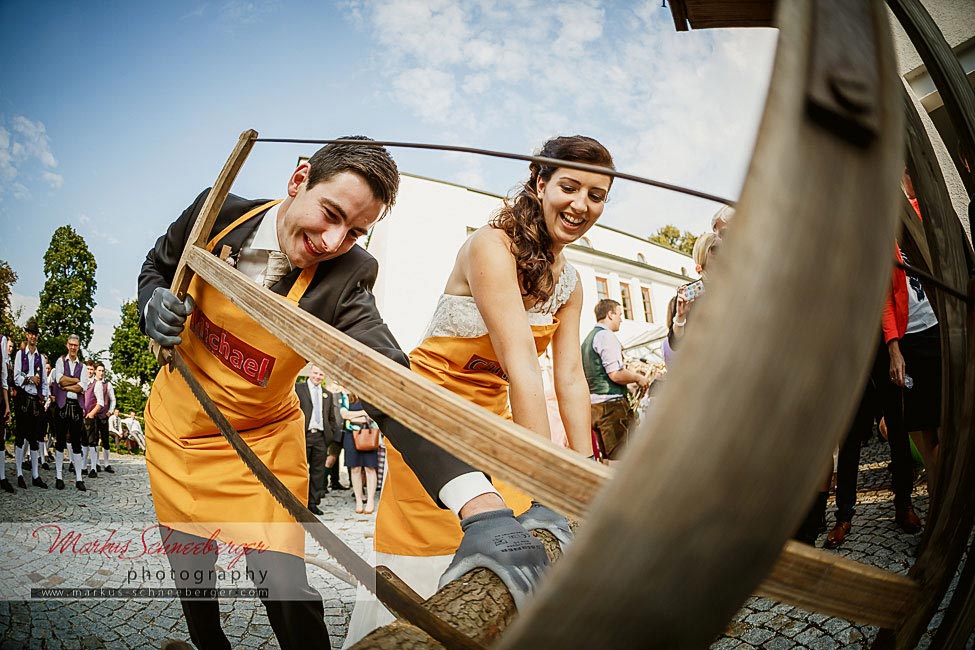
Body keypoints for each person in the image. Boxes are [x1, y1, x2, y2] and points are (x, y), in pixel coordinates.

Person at [138, 136, 547, 650]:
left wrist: (480, 506)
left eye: (355, 231)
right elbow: (158, 264)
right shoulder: (215, 211)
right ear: (298, 180)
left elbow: (390, 382)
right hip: (179, 430)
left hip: (264, 440)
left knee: (284, 586)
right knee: (194, 580)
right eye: (330, 213)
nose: (332, 241)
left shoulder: (348, 276)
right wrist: (150, 301)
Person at [346, 135, 609, 645]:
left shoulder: (571, 283)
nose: (581, 205)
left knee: (516, 546)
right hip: (430, 417)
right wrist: (545, 479)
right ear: (540, 182)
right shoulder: (493, 244)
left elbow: (571, 376)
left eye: (596, 196)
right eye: (569, 187)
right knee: (429, 545)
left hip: (494, 424)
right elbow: (521, 363)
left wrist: (582, 474)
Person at [583, 298, 650, 461]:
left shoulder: (588, 339)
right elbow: (615, 373)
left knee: (607, 459)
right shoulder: (606, 336)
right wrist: (637, 377)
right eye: (619, 314)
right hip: (611, 406)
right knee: (622, 460)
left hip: (595, 406)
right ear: (610, 314)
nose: (621, 318)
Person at [295, 365, 340, 515]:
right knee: (299, 470)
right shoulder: (298, 388)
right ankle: (297, 502)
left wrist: (330, 432)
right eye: (315, 373)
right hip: (303, 434)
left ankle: (313, 502)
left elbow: (331, 417)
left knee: (318, 471)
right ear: (310, 372)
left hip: (320, 436)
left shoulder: (327, 394)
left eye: (321, 374)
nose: (317, 376)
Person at [12, 320, 49, 489]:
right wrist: (29, 378)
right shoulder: (21, 354)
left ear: (37, 337)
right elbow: (16, 377)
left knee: (35, 438)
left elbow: (44, 384)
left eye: (35, 334)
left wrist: (44, 398)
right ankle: (19, 473)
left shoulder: (40, 358)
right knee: (21, 436)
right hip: (23, 398)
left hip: (35, 400)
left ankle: (35, 474)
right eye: (30, 333)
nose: (33, 336)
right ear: (27, 335)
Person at [51, 334, 89, 490]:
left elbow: (83, 386)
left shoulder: (84, 367)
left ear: (79, 347)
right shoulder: (60, 361)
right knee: (60, 441)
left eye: (76, 345)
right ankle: (59, 476)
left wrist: (67, 386)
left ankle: (79, 478)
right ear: (67, 345)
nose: (73, 347)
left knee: (76, 442)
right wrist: (75, 379)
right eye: (71, 344)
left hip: (76, 406)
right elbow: (59, 379)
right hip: (62, 405)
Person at [340, 392, 379, 515]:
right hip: (350, 436)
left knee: (370, 468)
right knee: (355, 469)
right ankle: (358, 500)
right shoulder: (346, 396)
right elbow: (344, 414)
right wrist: (363, 413)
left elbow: (375, 415)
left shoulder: (370, 395)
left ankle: (371, 501)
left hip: (369, 435)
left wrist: (354, 417)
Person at [86, 362, 117, 474]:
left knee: (105, 439)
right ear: (95, 371)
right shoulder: (90, 383)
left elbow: (113, 399)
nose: (101, 373)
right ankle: (97, 463)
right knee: (93, 440)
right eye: (99, 370)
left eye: (103, 371)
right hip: (93, 415)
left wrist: (110, 411)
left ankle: (107, 463)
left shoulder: (107, 384)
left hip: (103, 415)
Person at [325, 381, 349, 491]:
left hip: (346, 431)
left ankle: (335, 481)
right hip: (335, 432)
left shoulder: (344, 395)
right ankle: (322, 484)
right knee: (332, 457)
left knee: (343, 458)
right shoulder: (330, 396)